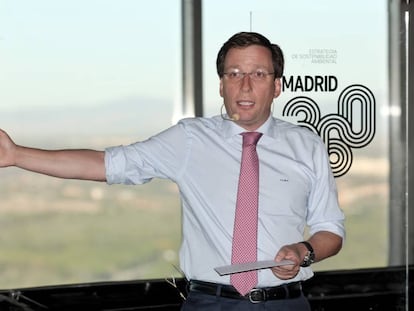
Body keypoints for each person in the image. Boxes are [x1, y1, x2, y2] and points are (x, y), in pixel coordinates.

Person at [0, 32, 345, 310]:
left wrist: (304, 252)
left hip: (286, 303)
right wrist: (17, 155)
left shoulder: (306, 145)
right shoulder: (190, 139)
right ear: (221, 85)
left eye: (258, 74)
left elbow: (330, 229)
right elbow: (108, 164)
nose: (245, 86)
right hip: (210, 303)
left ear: (277, 86)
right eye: (234, 74)